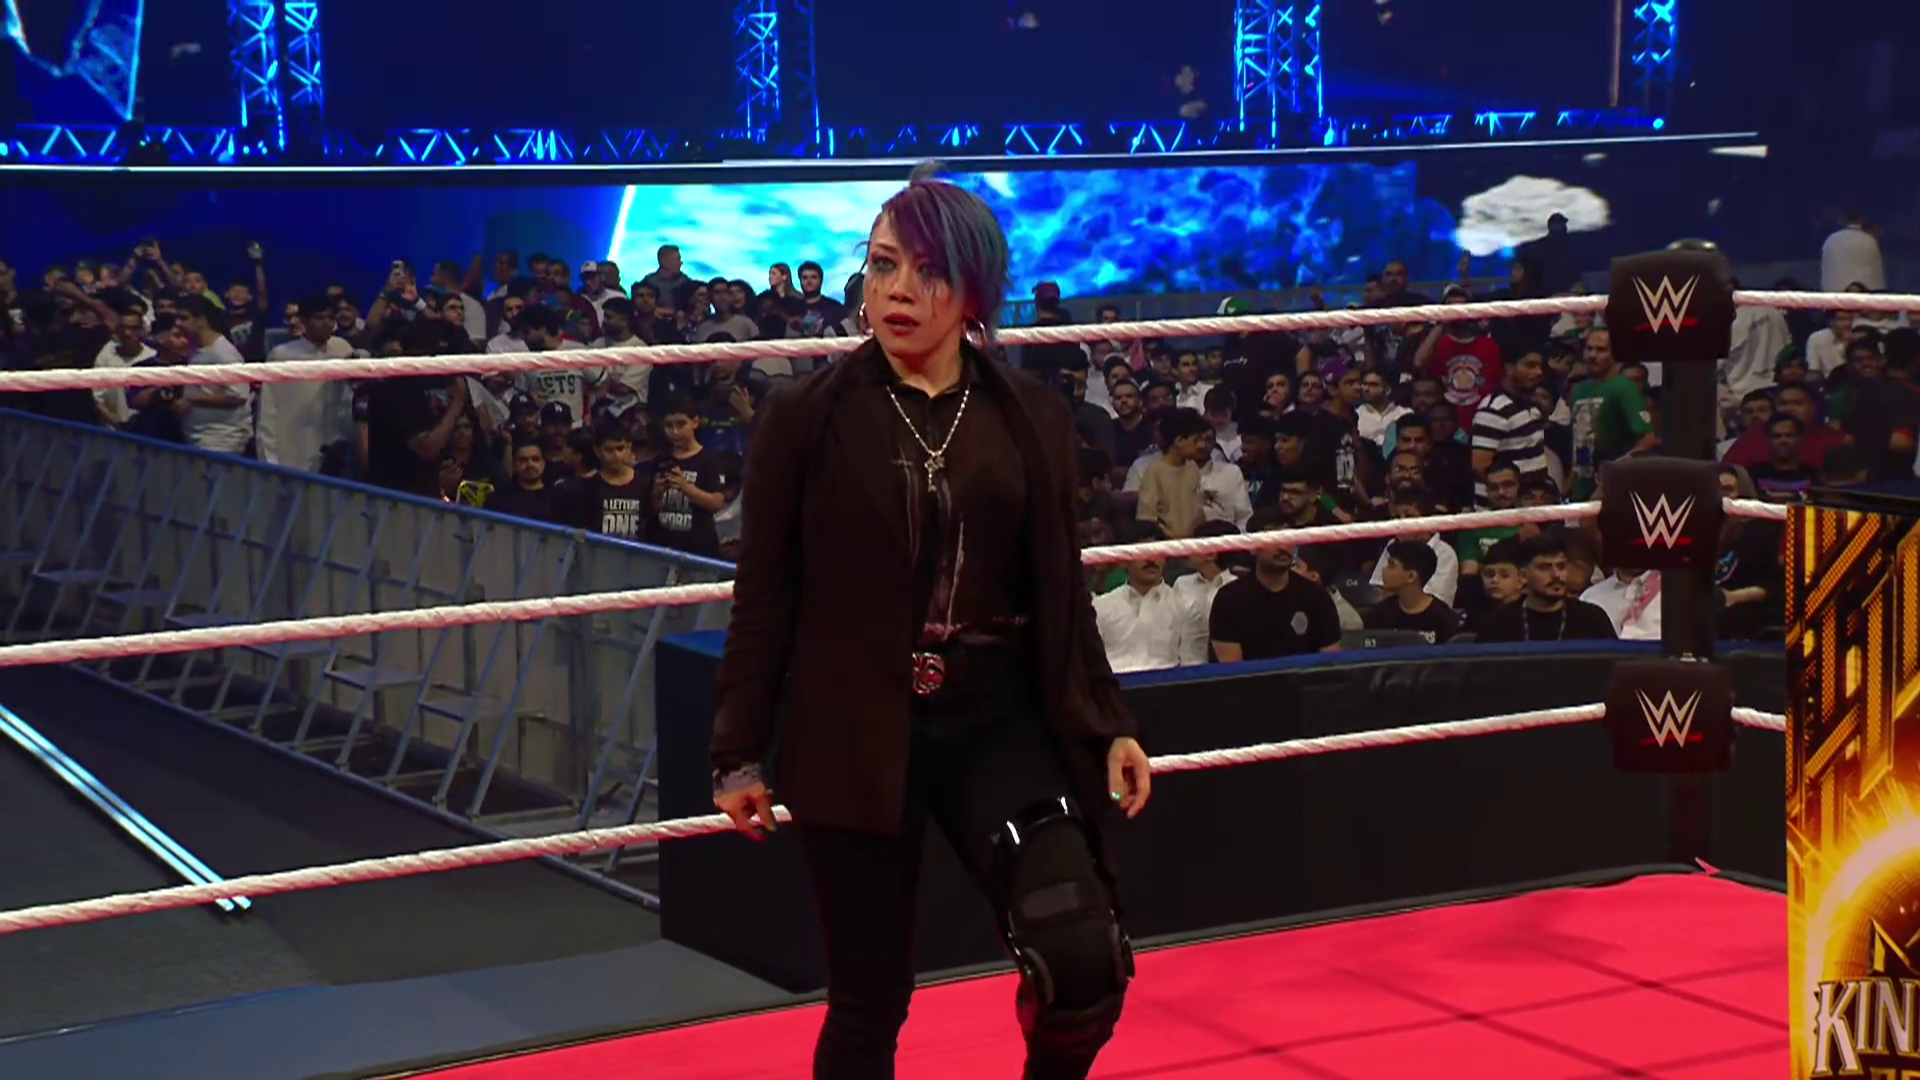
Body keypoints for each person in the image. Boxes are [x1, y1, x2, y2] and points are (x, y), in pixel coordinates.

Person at [710, 165, 1151, 1080]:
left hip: (995, 715)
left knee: (1081, 959)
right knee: (869, 1001)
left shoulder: (1030, 414)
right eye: (882, 266)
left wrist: (1107, 723)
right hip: (853, 720)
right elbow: (765, 593)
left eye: (927, 271)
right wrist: (737, 752)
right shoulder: (805, 417)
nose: (898, 291)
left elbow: (1060, 586)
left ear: (974, 292)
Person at [1471, 534, 1618, 643]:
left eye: (1561, 566)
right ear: (1523, 576)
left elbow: (1615, 668)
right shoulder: (1498, 623)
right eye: (1545, 567)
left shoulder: (1592, 619)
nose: (1556, 575)